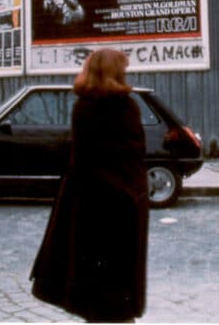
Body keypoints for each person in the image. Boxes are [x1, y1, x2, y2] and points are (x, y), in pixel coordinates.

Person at [31, 49, 148, 322]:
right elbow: (134, 155)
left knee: (93, 282)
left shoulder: (85, 106)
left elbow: (81, 158)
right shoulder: (125, 106)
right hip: (122, 204)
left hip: (90, 201)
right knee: (117, 283)